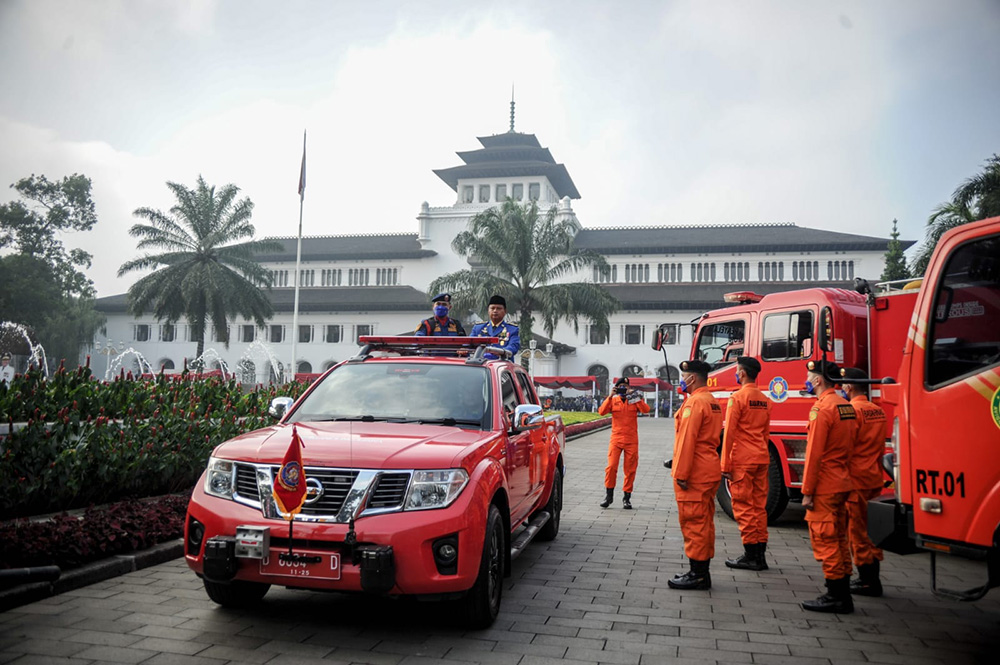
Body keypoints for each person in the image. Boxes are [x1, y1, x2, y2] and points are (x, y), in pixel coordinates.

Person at [800, 359, 858, 613]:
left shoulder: (821, 409)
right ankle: (842, 590)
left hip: (824, 484)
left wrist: (807, 491)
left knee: (825, 538)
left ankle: (836, 595)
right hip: (842, 480)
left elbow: (814, 455)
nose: (808, 381)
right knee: (839, 537)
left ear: (818, 380)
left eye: (810, 376)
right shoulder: (846, 406)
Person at [668, 359, 723, 590]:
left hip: (695, 473)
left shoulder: (695, 403)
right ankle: (702, 571)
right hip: (708, 468)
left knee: (693, 523)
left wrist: (680, 472)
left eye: (684, 375)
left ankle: (698, 574)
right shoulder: (712, 401)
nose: (682, 380)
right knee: (705, 522)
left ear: (692, 378)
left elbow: (687, 440)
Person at [720, 356, 772, 571]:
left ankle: (751, 555)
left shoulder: (737, 398)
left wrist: (725, 465)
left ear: (741, 373)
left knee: (743, 508)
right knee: (759, 507)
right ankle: (760, 554)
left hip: (742, 460)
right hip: (761, 457)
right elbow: (766, 432)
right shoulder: (764, 399)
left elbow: (729, 433)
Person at [842, 367, 886, 597]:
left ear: (848, 387)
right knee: (872, 529)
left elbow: (846, 448)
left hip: (856, 480)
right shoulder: (877, 410)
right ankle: (872, 577)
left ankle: (868, 581)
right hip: (874, 477)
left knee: (857, 531)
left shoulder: (852, 411)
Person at [598, 377, 650, 509]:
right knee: (611, 467)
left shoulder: (634, 400)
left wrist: (634, 395)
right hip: (616, 439)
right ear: (616, 387)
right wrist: (610, 396)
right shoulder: (613, 400)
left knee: (630, 469)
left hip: (631, 440)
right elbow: (601, 412)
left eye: (625, 386)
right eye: (620, 386)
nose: (623, 388)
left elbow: (645, 409)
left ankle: (627, 498)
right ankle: (608, 496)